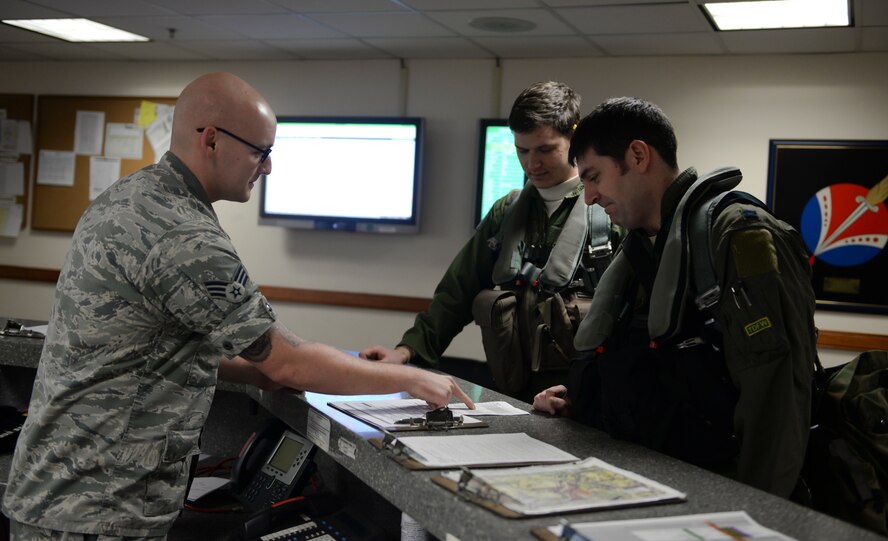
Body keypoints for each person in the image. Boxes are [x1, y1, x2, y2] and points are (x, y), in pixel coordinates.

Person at [2, 72, 472, 540]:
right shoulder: (183, 235)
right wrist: (409, 377)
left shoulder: (129, 198)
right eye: (260, 152)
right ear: (210, 139)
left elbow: (164, 348)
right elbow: (287, 363)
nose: (267, 168)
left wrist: (278, 370)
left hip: (63, 491)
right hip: (98, 507)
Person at [533, 97, 818, 499]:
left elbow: (777, 400)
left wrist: (755, 516)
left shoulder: (737, 238)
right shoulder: (640, 253)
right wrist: (579, 403)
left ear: (637, 155)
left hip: (717, 497)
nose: (589, 198)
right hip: (646, 486)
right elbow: (656, 379)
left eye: (595, 177)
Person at [361, 82, 621, 403]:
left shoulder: (608, 210)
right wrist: (407, 351)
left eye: (545, 149)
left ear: (574, 141)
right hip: (513, 393)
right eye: (522, 150)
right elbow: (457, 292)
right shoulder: (506, 212)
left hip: (582, 397)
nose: (532, 164)